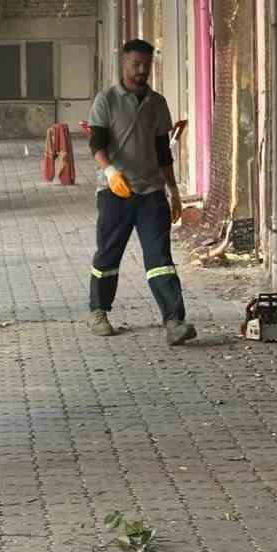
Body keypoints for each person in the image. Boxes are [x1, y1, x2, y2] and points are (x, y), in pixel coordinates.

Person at [87, 38, 195, 347]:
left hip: (151, 193)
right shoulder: (106, 100)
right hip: (115, 193)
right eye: (136, 64)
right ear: (123, 64)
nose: (142, 70)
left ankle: (174, 320)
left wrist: (173, 189)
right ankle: (98, 311)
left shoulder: (158, 103)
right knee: (108, 255)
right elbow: (97, 144)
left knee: (160, 258)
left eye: (147, 64)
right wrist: (110, 173)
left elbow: (163, 152)